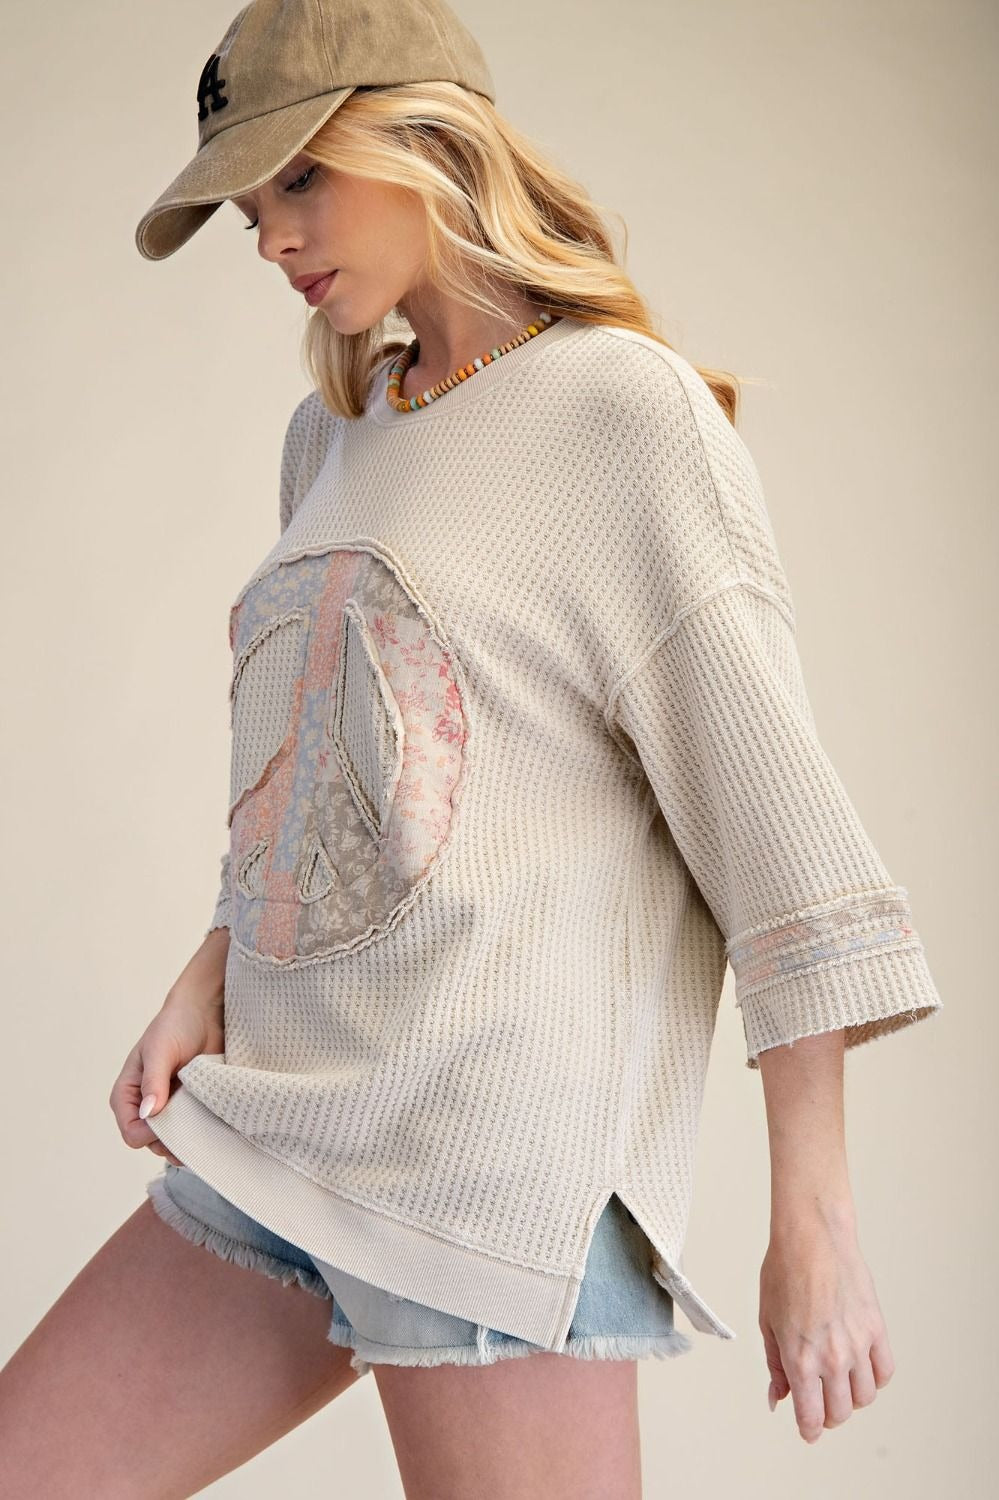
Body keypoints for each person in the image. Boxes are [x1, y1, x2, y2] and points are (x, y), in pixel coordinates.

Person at [0, 1, 943, 1495]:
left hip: (495, 1180)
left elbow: (781, 853)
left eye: (300, 181)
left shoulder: (622, 419)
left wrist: (812, 1222)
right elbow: (340, 781)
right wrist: (211, 976)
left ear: (428, 136)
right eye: (252, 211)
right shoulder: (335, 436)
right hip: (294, 1129)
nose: (273, 243)